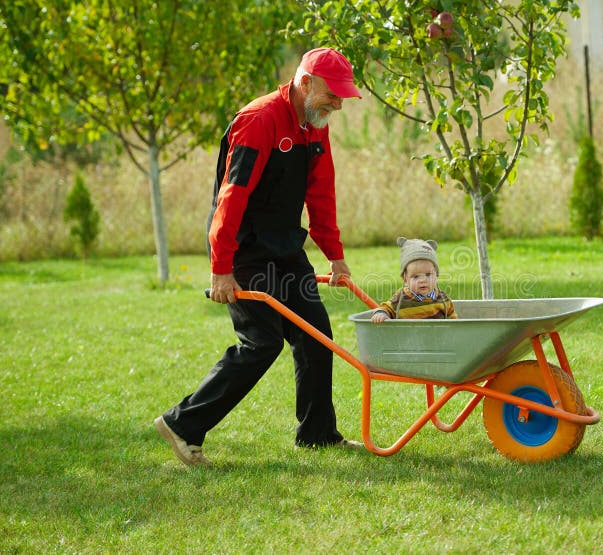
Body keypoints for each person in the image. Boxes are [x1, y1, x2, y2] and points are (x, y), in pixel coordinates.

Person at [154, 48, 362, 467]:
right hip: (244, 252)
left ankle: (318, 435)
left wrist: (335, 257)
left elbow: (321, 196)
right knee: (261, 343)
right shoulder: (259, 119)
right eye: (332, 95)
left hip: (285, 248)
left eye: (343, 96)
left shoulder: (314, 125)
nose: (338, 104)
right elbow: (231, 199)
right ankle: (183, 424)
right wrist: (221, 269)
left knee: (317, 337)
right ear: (305, 83)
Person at [371, 237, 458, 323]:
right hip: (409, 337)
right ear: (405, 279)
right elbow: (386, 308)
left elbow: (453, 321)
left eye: (428, 274)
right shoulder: (400, 299)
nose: (423, 280)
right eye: (415, 276)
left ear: (436, 275)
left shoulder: (443, 299)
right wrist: (381, 313)